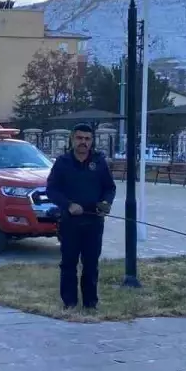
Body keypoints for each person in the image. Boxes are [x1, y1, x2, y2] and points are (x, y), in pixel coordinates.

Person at [46, 124, 116, 310]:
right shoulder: (62, 162)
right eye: (80, 138)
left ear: (91, 141)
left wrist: (106, 203)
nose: (83, 142)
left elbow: (110, 188)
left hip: (94, 221)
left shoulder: (99, 162)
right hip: (70, 221)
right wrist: (68, 205)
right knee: (68, 263)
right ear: (72, 139)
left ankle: (90, 303)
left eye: (87, 139)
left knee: (91, 263)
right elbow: (51, 190)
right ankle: (69, 302)